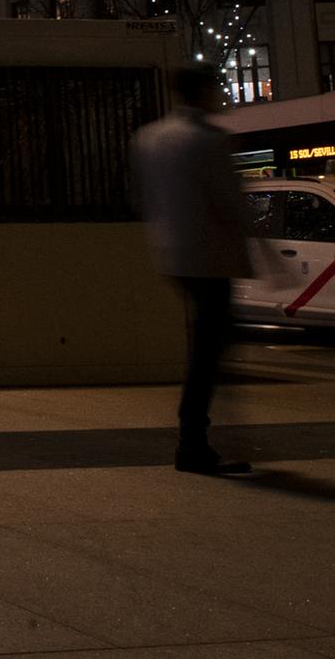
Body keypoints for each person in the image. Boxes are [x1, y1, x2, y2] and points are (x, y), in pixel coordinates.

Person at [132, 66, 262, 475]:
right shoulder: (208, 140)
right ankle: (193, 442)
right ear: (204, 91)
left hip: (172, 256)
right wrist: (260, 248)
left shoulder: (148, 138)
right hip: (210, 257)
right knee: (209, 353)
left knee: (205, 348)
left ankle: (199, 436)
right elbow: (231, 202)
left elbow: (143, 199)